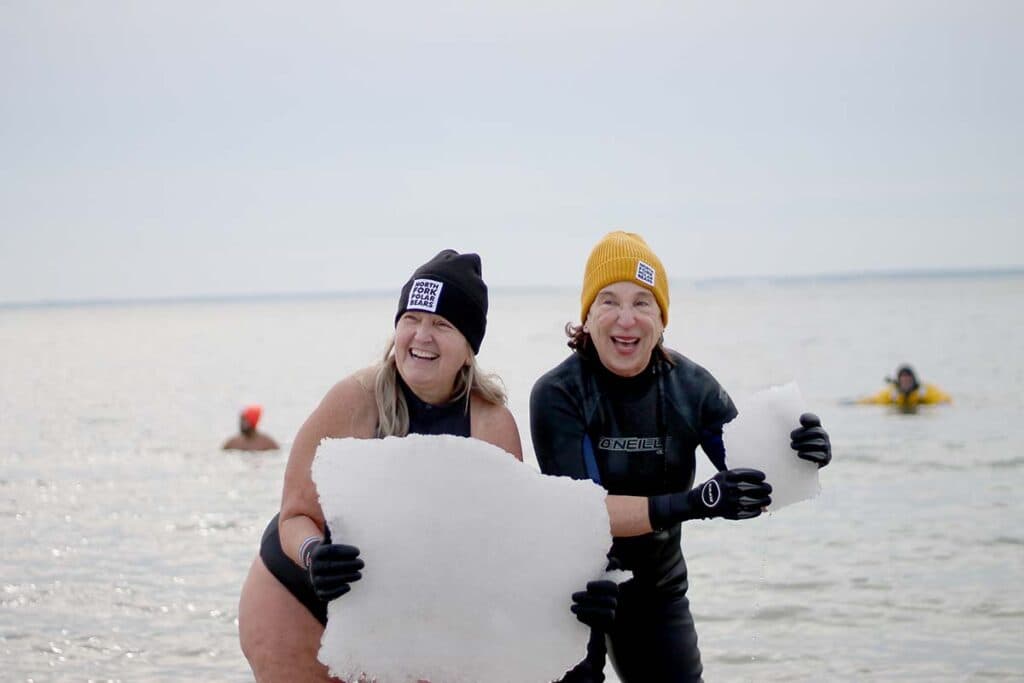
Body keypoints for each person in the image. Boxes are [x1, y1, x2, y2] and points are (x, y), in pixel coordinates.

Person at [238, 250, 614, 683]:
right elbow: (295, 515)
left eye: (442, 324)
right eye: (411, 319)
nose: (422, 335)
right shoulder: (354, 399)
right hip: (297, 594)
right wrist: (313, 554)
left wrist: (574, 597)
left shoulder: (490, 425)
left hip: (396, 614)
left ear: (469, 350)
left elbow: (500, 557)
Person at [530, 231, 833, 683]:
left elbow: (756, 483)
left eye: (642, 303)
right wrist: (695, 503)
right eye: (609, 301)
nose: (626, 319)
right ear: (588, 316)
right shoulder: (558, 393)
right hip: (574, 591)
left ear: (662, 317)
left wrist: (802, 456)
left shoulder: (691, 388)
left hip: (656, 589)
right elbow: (587, 514)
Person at [857, 364, 951, 410]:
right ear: (899, 381)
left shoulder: (924, 391)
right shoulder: (892, 393)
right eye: (903, 379)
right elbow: (874, 400)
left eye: (908, 379)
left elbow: (943, 398)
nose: (906, 382)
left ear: (913, 380)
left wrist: (943, 403)